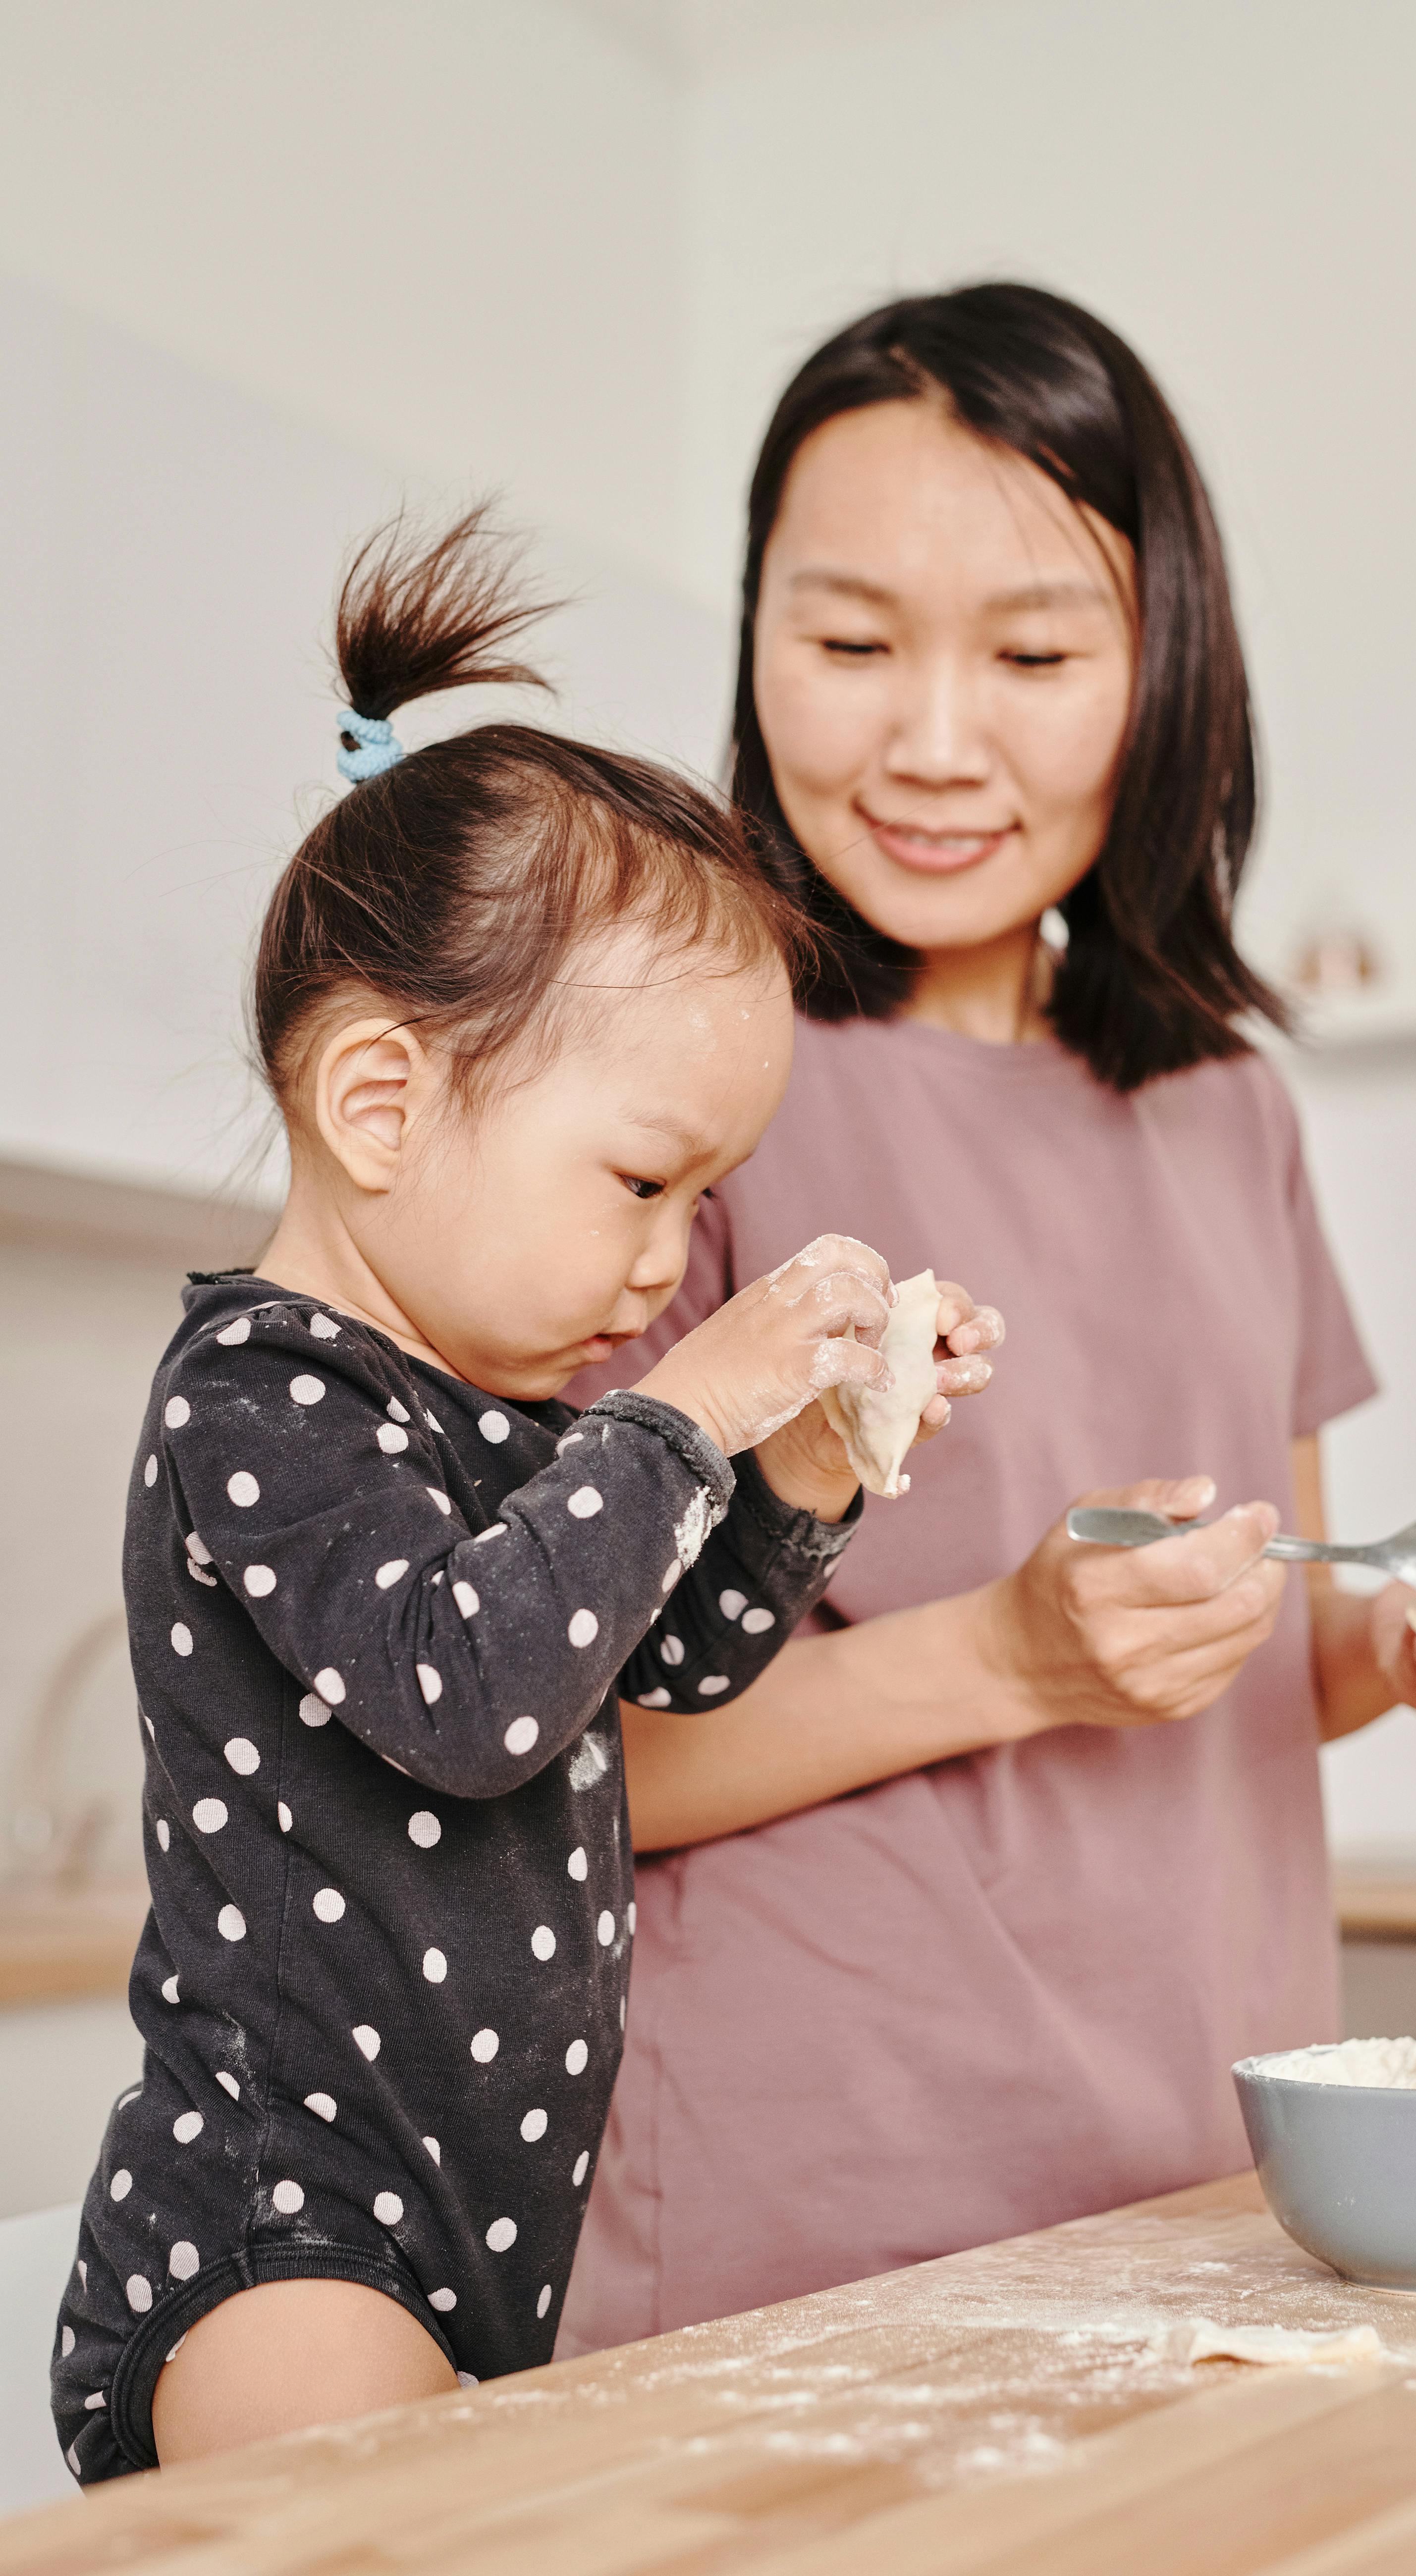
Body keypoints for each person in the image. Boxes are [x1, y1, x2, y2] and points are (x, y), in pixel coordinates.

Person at [558, 285, 1416, 2355]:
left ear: (1163, 668)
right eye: (849, 642)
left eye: (1033, 654)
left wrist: (1409, 1639)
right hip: (804, 2224)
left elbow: (1262, 1644)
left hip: (1216, 2190)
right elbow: (563, 1750)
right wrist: (1009, 1656)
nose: (935, 739)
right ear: (755, 640)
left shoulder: (1229, 1108)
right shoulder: (655, 1075)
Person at [52, 509, 999, 2480]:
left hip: (486, 2228)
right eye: (643, 1182)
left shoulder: (505, 1409)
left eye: (706, 1200)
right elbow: (471, 1692)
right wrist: (687, 1409)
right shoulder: (263, 1403)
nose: (672, 1261)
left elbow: (684, 1662)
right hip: (282, 2232)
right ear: (383, 1104)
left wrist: (812, 1451)